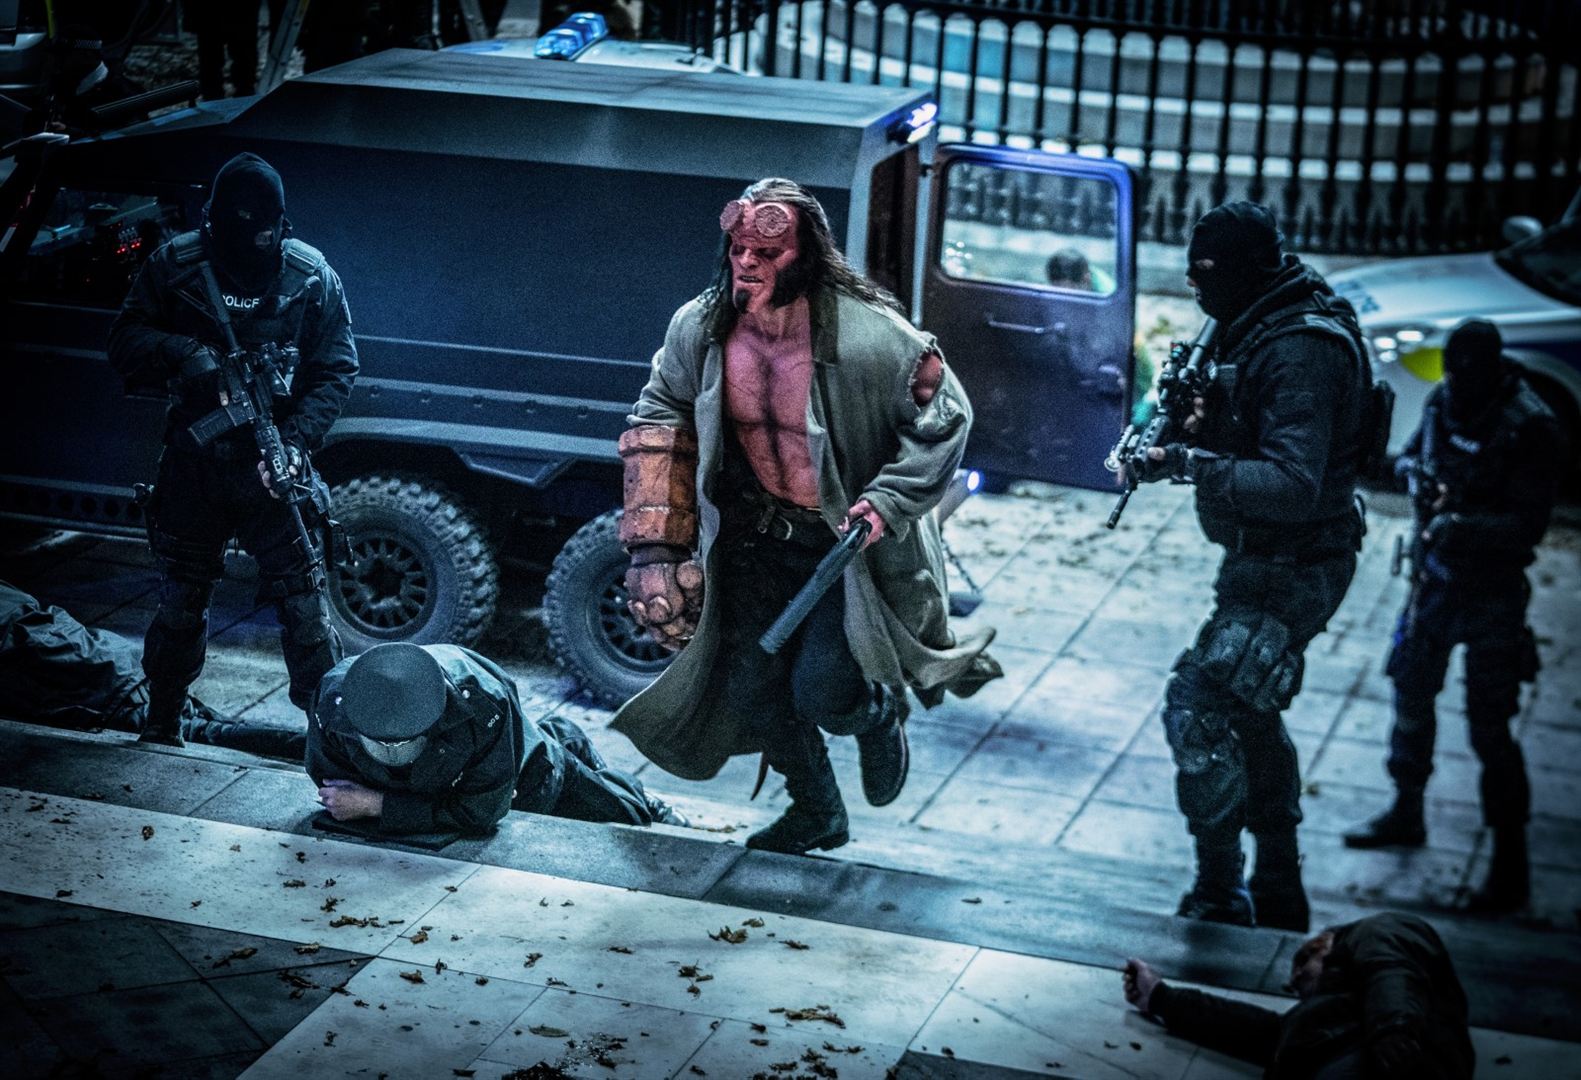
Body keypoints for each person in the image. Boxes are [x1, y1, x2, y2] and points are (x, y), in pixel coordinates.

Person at [609, 178, 999, 856]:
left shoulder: (876, 339)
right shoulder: (700, 329)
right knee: (750, 687)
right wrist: (654, 548)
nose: (747, 263)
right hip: (754, 540)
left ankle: (875, 715)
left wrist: (886, 500)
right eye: (738, 249)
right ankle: (817, 811)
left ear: (808, 254)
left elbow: (944, 419)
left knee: (823, 690)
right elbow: (659, 411)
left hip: (844, 549)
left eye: (768, 251)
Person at [1135, 201, 1372, 930]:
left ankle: (1220, 891)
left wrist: (1188, 461)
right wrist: (1190, 420)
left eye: (1207, 273)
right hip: (1261, 558)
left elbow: (1294, 484)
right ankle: (1277, 885)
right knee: (1250, 711)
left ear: (1247, 270)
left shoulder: (1298, 349)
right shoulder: (1259, 315)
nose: (1194, 286)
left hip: (1294, 564)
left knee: (1199, 708)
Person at [108, 153, 358, 748]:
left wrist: (294, 443)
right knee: (180, 600)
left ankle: (331, 746)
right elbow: (125, 340)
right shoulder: (176, 265)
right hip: (195, 464)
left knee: (306, 610)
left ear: (280, 227)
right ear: (212, 223)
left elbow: (336, 368)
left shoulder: (310, 277)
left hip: (272, 469)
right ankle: (162, 724)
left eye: (263, 235)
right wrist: (185, 354)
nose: (251, 248)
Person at [1343, 319, 1561, 913]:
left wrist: (1458, 525)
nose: (1457, 384)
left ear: (1492, 370)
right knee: (1410, 695)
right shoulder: (1446, 400)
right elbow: (1416, 455)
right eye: (1453, 374)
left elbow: (1528, 526)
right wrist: (1416, 478)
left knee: (1490, 731)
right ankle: (1406, 810)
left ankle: (1509, 866)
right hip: (1432, 587)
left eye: (1468, 376)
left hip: (1493, 595)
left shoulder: (1530, 425)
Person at [307, 642, 685, 837]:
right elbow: (331, 784)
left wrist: (380, 806)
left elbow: (482, 812)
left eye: (403, 744)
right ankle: (562, 735)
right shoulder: (335, 698)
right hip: (461, 775)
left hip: (529, 775)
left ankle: (647, 802)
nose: (392, 752)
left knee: (619, 814)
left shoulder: (480, 699)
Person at [1122, 912, 1475, 1079]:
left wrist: (1393, 1030)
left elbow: (1391, 970)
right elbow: (1256, 1030)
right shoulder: (1322, 1020)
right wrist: (1161, 997)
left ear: (1324, 945)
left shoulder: (1376, 931)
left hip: (1379, 1060)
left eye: (1302, 963)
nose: (1296, 980)